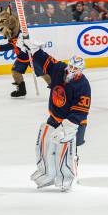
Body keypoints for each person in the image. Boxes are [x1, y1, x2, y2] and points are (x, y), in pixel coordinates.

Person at [25, 40, 91, 192]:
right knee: (44, 144)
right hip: (55, 117)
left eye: (76, 69)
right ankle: (47, 173)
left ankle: (66, 178)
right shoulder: (60, 69)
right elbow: (47, 61)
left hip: (74, 122)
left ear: (81, 70)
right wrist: (35, 51)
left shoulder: (83, 85)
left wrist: (67, 127)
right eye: (71, 66)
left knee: (66, 151)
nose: (72, 70)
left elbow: (81, 110)